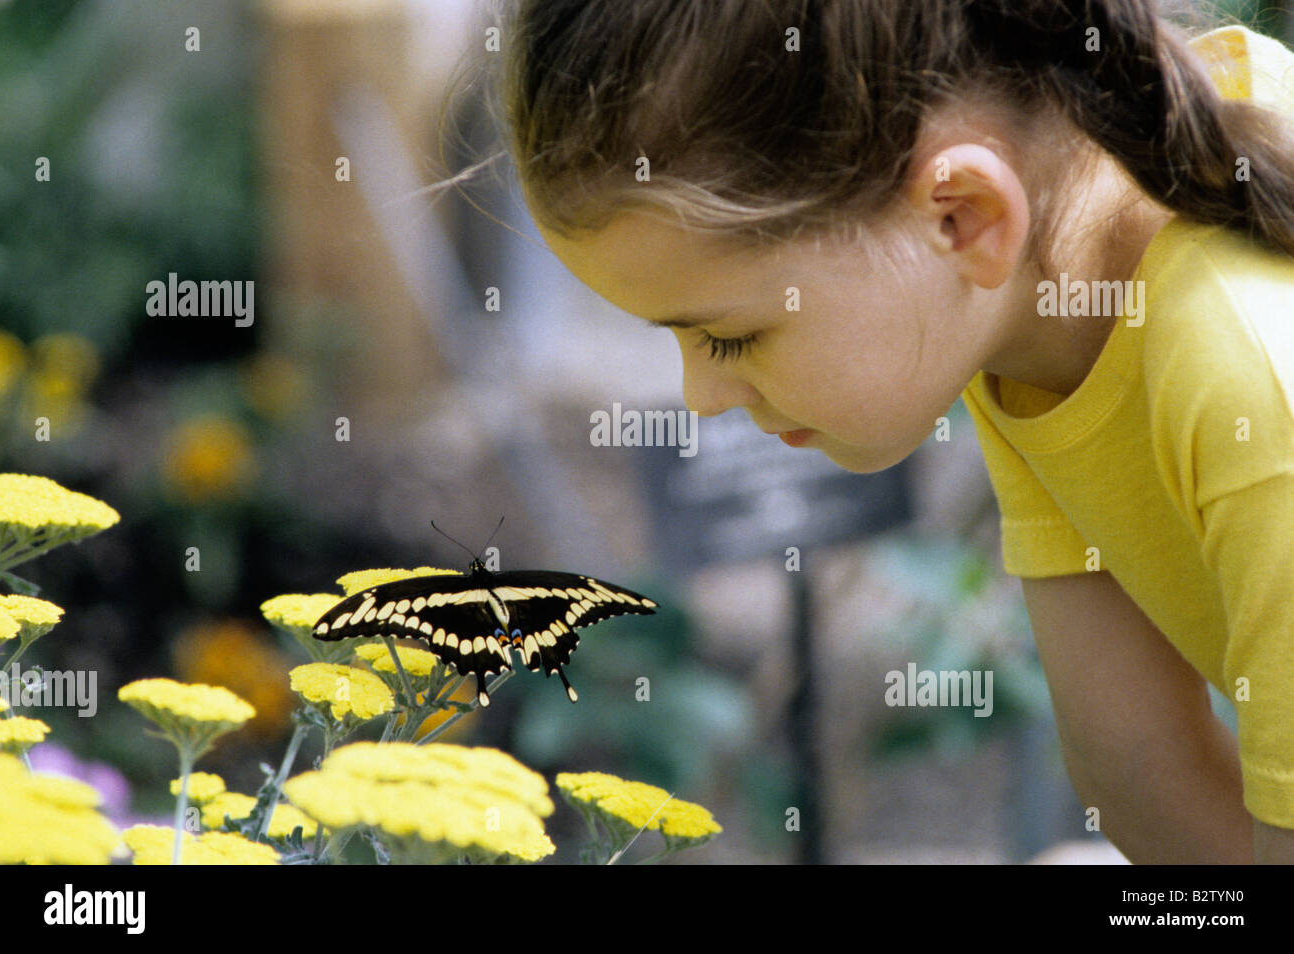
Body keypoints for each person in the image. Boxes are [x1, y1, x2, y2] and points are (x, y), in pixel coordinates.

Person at [493, 0, 1294, 862]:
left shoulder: (1254, 380)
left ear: (961, 216)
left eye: (731, 335)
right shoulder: (1040, 288)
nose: (702, 396)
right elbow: (1136, 766)